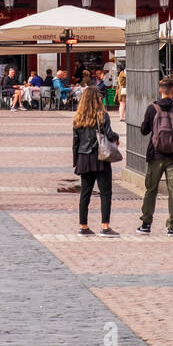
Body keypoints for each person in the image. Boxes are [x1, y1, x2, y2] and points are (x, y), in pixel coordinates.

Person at [137, 76, 173, 236]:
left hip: (155, 155)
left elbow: (144, 130)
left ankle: (146, 224)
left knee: (151, 190)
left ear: (160, 90)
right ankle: (172, 226)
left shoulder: (152, 108)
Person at [71, 86, 118, 236]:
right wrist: (116, 137)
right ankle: (105, 226)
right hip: (100, 158)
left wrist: (76, 161)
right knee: (105, 193)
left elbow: (75, 143)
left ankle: (83, 226)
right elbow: (109, 134)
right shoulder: (102, 115)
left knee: (85, 193)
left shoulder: (78, 117)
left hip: (83, 157)